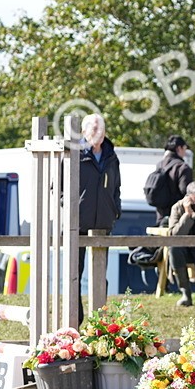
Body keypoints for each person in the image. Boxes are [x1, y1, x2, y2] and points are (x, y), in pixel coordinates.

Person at [76, 113, 121, 324]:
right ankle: (75, 320)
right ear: (84, 131)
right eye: (94, 128)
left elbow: (116, 187)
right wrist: (71, 207)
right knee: (74, 275)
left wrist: (115, 210)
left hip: (103, 222)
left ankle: (100, 323)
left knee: (100, 276)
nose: (98, 132)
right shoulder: (74, 154)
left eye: (101, 128)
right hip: (76, 224)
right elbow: (57, 188)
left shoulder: (111, 156)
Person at [153, 135, 193, 223]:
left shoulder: (160, 165)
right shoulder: (183, 167)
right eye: (184, 149)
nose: (185, 152)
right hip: (176, 218)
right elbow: (186, 192)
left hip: (161, 217)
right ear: (179, 148)